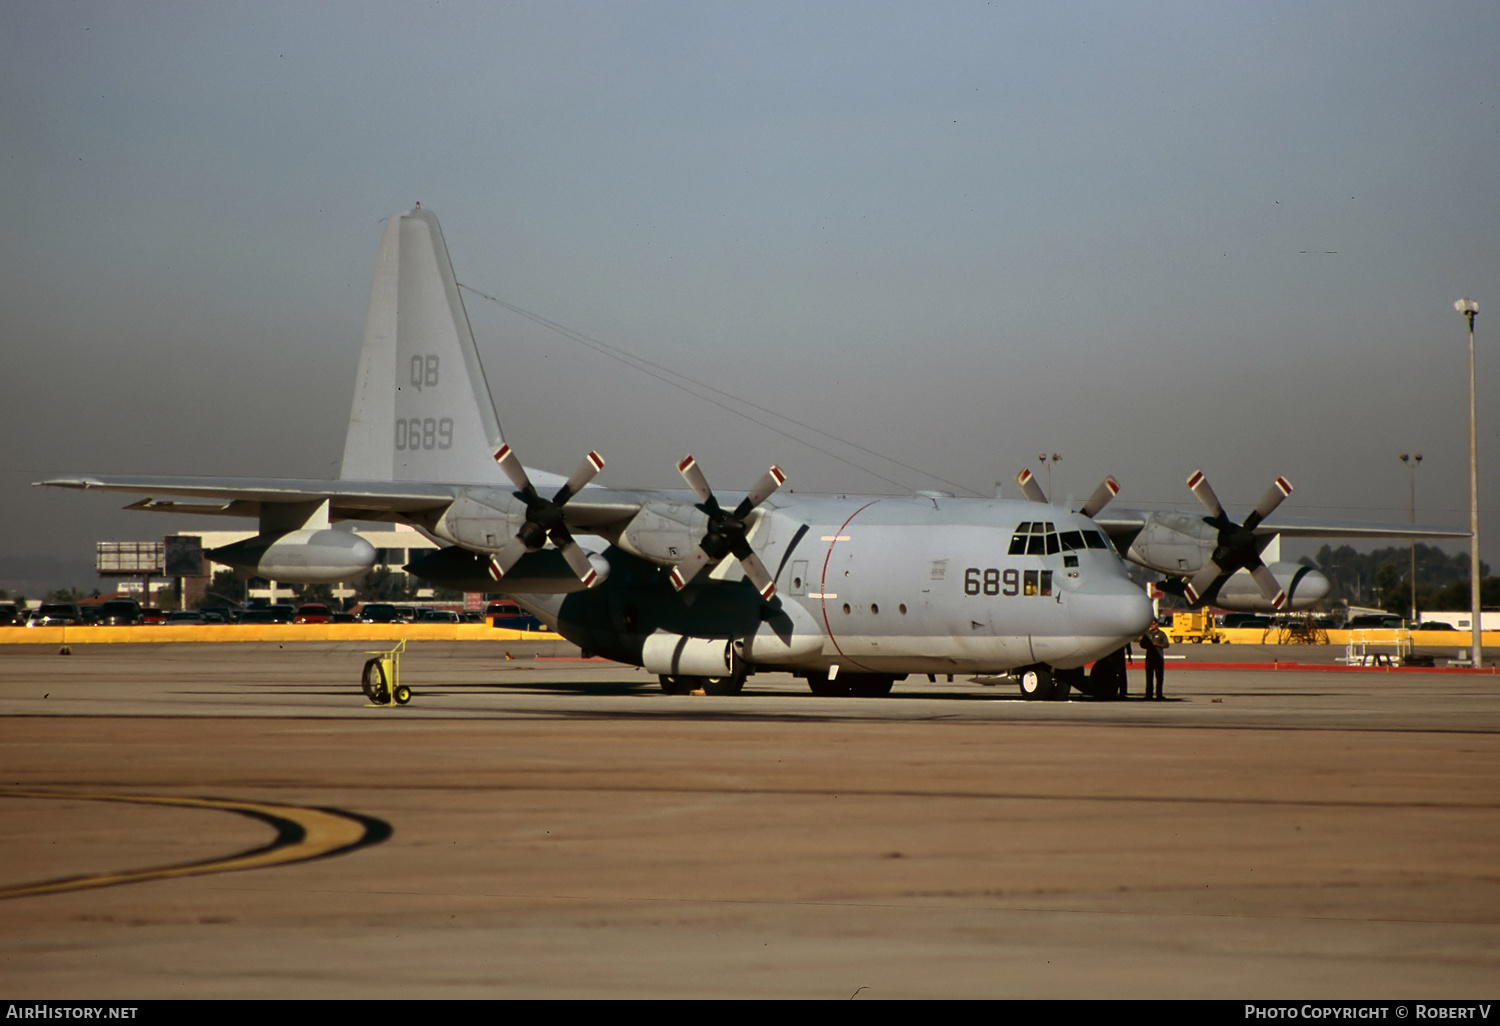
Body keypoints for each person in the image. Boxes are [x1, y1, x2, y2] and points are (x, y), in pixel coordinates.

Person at [1141, 621, 1170, 699]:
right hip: (1149, 658)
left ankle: (1159, 694)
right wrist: (1148, 645)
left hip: (1158, 658)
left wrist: (1158, 645)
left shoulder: (1161, 634)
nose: (1152, 626)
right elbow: (1142, 644)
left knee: (1159, 677)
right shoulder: (1147, 634)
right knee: (1149, 677)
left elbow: (1166, 644)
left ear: (1156, 624)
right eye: (1151, 624)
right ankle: (1148, 694)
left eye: (1153, 624)